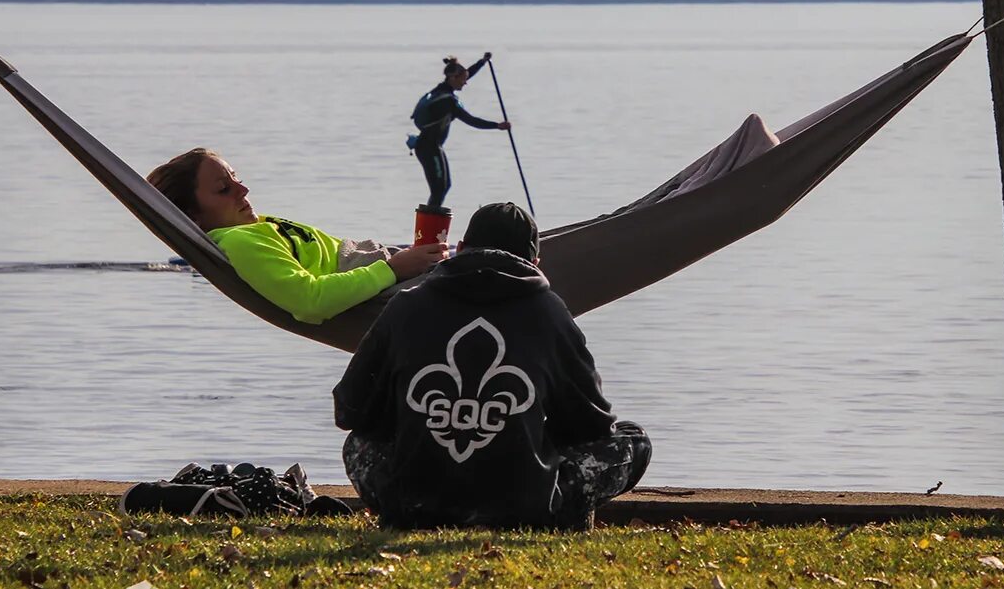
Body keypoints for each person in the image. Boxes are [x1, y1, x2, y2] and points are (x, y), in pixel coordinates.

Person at [333, 202, 652, 529]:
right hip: (526, 510)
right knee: (633, 441)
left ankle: (410, 509)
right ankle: (564, 520)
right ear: (535, 263)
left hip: (413, 506)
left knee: (359, 443)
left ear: (459, 249)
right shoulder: (551, 313)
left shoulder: (405, 305)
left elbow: (349, 412)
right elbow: (591, 427)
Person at [146, 148, 446, 324]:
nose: (243, 190)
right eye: (224, 189)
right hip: (388, 291)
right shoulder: (241, 241)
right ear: (193, 215)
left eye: (238, 179)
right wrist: (393, 269)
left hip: (391, 270)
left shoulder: (253, 227)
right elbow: (309, 301)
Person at [408, 53, 511, 210]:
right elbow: (472, 121)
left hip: (432, 146)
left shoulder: (441, 90)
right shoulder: (448, 102)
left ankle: (432, 224)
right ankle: (429, 228)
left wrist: (482, 62)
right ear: (453, 78)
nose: (465, 83)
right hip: (428, 147)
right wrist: (497, 125)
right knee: (439, 188)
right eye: (463, 80)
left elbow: (467, 73)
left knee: (444, 186)